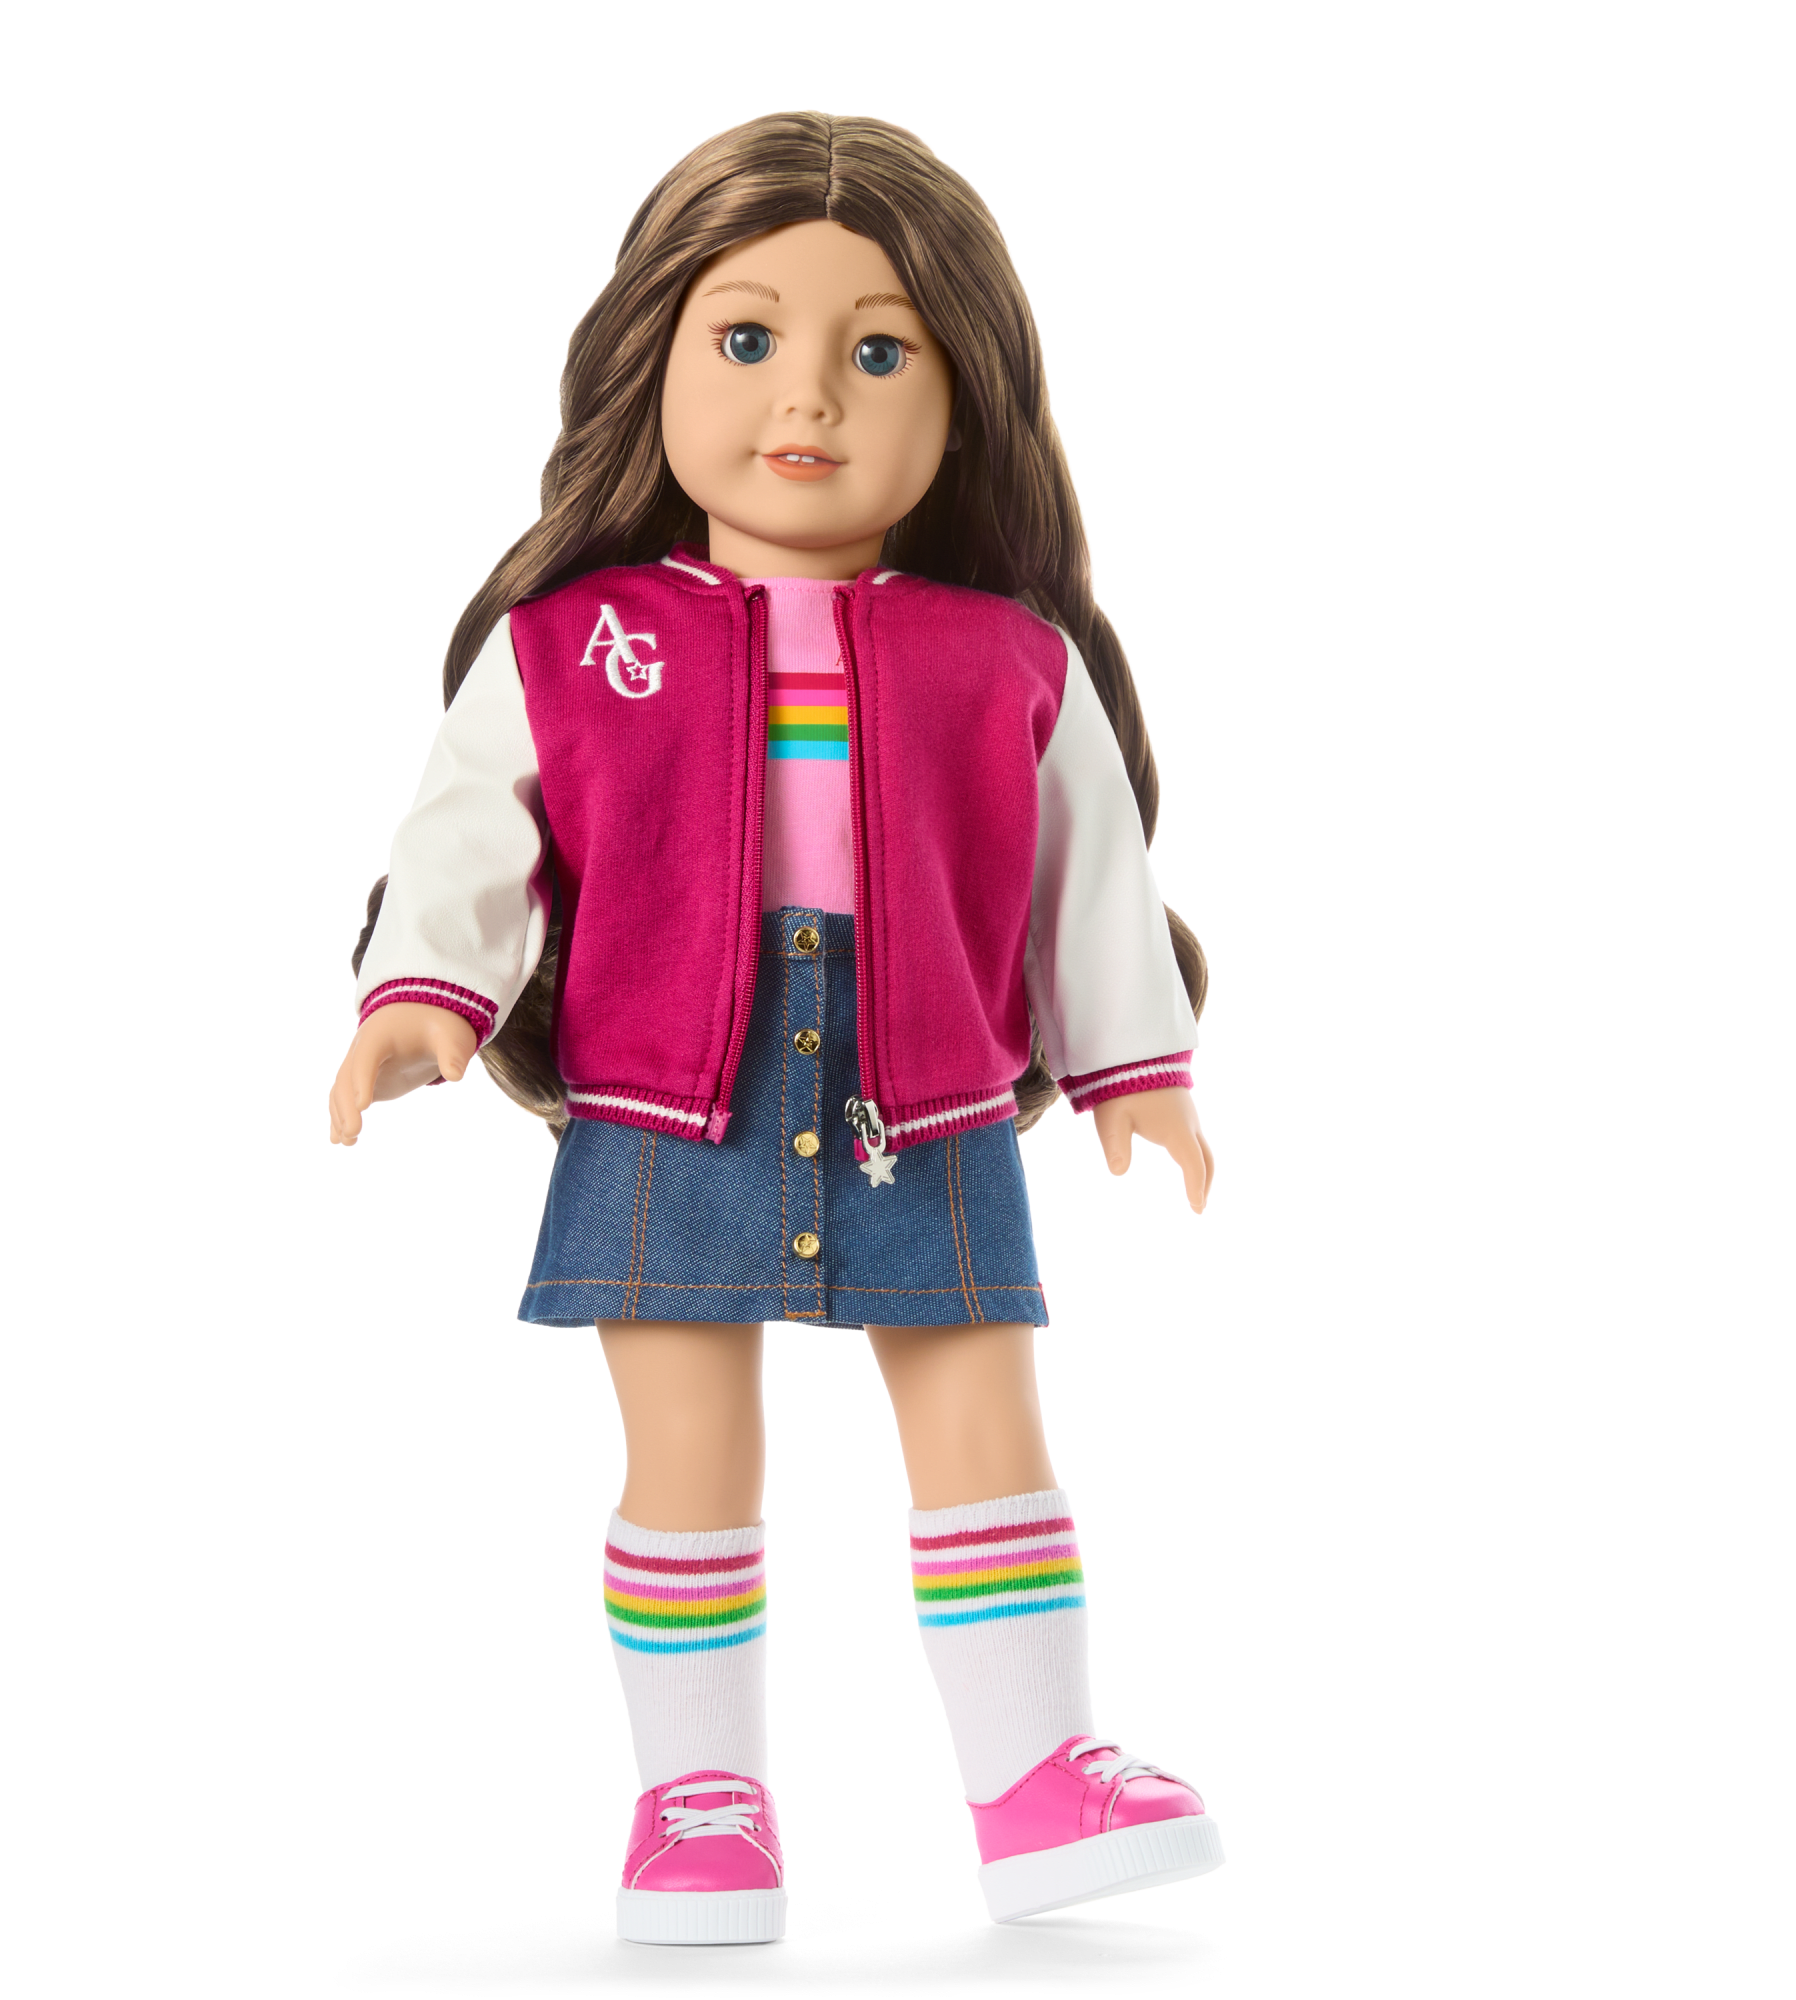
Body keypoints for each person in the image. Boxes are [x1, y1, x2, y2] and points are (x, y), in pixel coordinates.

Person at [327, 109, 1224, 1941]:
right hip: (665, 1087)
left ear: (966, 399)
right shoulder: (573, 644)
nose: (805, 395)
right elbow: (471, 829)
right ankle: (699, 1799)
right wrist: (421, 997)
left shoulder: (1008, 657)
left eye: (879, 352)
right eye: (746, 338)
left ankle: (1035, 1773)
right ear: (648, 359)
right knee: (685, 1452)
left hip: (927, 1084)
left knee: (985, 1421)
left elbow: (1088, 874)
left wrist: (1136, 1068)